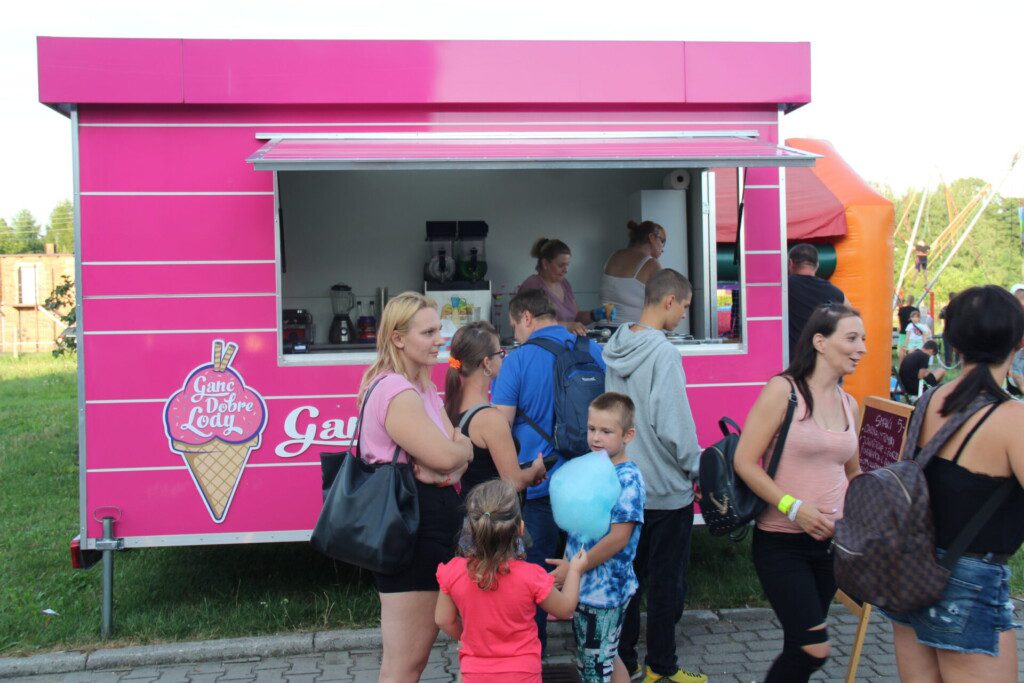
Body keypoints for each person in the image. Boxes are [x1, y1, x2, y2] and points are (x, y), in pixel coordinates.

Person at [882, 285, 1024, 682]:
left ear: (954, 343)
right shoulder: (1012, 418)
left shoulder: (932, 399)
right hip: (968, 580)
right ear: (1018, 341)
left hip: (911, 565)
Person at [734, 303, 866, 683]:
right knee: (813, 648)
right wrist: (794, 508)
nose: (862, 348)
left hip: (831, 546)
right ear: (820, 342)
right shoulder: (784, 391)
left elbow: (852, 471)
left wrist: (874, 509)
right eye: (852, 338)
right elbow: (745, 461)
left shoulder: (849, 403)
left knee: (801, 647)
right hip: (782, 543)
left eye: (863, 339)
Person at [355, 291, 475, 683]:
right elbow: (445, 452)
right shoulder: (396, 391)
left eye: (439, 329)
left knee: (410, 662)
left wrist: (455, 461)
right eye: (428, 332)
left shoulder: (421, 386)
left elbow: (458, 449)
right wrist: (456, 456)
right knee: (405, 664)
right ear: (398, 339)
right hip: (411, 534)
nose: (440, 339)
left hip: (426, 528)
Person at [602, 269, 707, 683]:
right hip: (666, 489)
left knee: (628, 583)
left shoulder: (615, 345)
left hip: (625, 487)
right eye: (684, 307)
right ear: (669, 301)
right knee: (666, 588)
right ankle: (662, 667)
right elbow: (674, 425)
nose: (683, 315)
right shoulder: (663, 353)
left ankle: (624, 664)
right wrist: (698, 469)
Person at [492, 288, 607, 653]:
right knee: (588, 565)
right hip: (589, 482)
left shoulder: (517, 360)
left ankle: (533, 651)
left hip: (538, 481)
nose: (516, 334)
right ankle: (597, 649)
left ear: (526, 317)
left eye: (515, 325)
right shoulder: (592, 351)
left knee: (534, 572)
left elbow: (500, 424)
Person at [435, 480, 588, 683]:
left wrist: (469, 638)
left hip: (476, 672)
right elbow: (565, 608)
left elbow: (443, 619)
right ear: (521, 528)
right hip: (523, 673)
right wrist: (575, 570)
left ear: (470, 528)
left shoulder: (454, 571)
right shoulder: (532, 576)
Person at [548, 392, 645, 683]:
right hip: (584, 585)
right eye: (592, 429)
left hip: (604, 593)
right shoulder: (593, 466)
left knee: (594, 668)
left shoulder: (627, 479)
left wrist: (574, 568)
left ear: (628, 435)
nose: (596, 438)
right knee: (607, 657)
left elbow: (618, 538)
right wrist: (567, 566)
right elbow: (576, 529)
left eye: (606, 431)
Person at [443, 321, 547, 494]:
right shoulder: (490, 419)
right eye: (500, 353)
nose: (503, 358)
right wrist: (534, 471)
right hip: (488, 508)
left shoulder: (449, 408)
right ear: (487, 363)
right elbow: (513, 482)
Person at [519, 238, 606, 335]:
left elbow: (575, 317)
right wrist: (566, 326)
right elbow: (531, 323)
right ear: (545, 264)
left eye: (567, 265)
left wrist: (594, 315)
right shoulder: (532, 285)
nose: (566, 270)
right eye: (561, 265)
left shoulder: (565, 284)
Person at [599, 220, 666, 324]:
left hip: (603, 329)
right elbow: (663, 305)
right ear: (652, 238)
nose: (663, 248)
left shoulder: (614, 256)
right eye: (663, 241)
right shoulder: (652, 264)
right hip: (631, 331)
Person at [786, 243, 846, 360]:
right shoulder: (836, 293)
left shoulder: (784, 287)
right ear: (817, 265)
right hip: (823, 360)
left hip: (794, 362)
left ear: (791, 263)